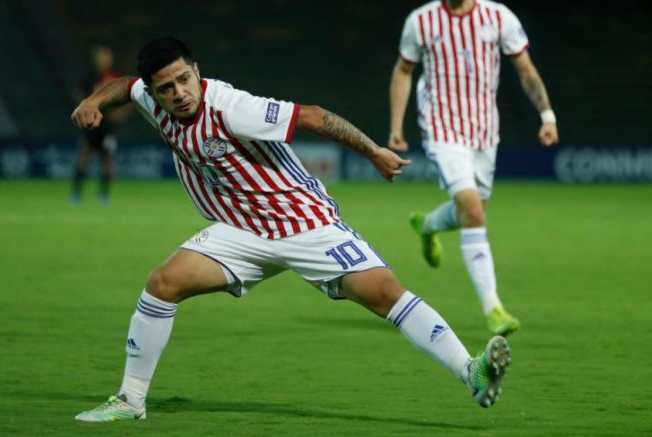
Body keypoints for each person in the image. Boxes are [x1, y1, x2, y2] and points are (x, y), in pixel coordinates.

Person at [71, 37, 512, 422]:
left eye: (185, 79)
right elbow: (125, 86)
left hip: (305, 222)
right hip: (240, 231)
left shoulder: (231, 107)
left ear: (197, 71)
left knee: (384, 293)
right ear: (154, 93)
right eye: (166, 88)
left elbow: (315, 116)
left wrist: (374, 152)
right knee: (162, 283)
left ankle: (470, 372)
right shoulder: (149, 97)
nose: (180, 93)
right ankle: (130, 399)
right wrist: (94, 102)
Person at [388, 0, 559, 336]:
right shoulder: (421, 22)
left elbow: (526, 70)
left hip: (483, 132)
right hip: (441, 129)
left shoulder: (498, 17)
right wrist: (396, 126)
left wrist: (547, 115)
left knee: (473, 210)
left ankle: (428, 226)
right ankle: (493, 308)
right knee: (471, 209)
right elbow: (404, 71)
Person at [70, 45, 127, 204]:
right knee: (84, 156)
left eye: (106, 57)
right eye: (101, 57)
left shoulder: (116, 77)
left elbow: (129, 98)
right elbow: (78, 94)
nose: (103, 60)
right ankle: (76, 193)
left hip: (108, 126)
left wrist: (120, 114)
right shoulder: (89, 77)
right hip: (91, 124)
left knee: (107, 159)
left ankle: (103, 195)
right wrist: (85, 109)